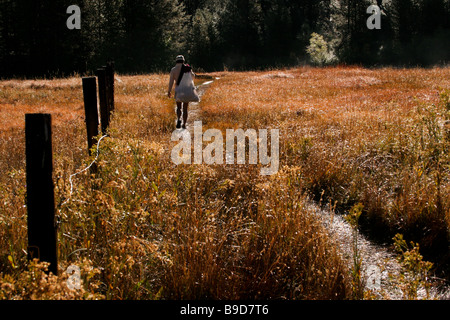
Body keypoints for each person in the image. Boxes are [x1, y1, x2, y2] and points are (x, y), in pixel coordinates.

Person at [167, 55, 195, 129]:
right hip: (186, 89)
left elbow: (171, 82)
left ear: (176, 61)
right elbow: (193, 76)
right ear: (183, 61)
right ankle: (184, 124)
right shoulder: (187, 68)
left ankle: (179, 120)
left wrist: (169, 91)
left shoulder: (173, 69)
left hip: (178, 90)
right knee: (185, 108)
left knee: (178, 107)